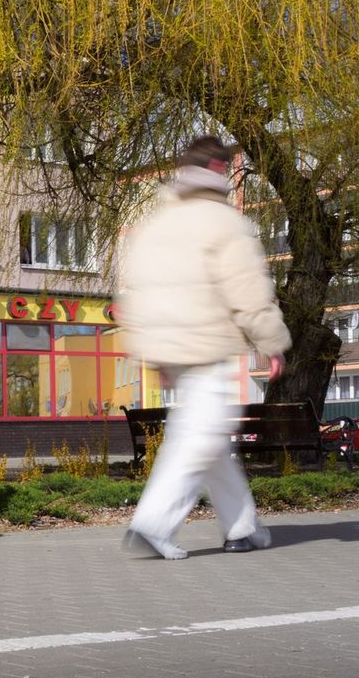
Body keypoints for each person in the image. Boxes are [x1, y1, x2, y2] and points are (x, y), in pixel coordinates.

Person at [117, 135, 292, 560]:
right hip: (206, 343)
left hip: (167, 343)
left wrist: (154, 351)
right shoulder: (224, 223)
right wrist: (272, 342)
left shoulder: (156, 223)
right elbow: (247, 290)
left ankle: (242, 528)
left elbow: (135, 290)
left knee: (209, 435)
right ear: (218, 169)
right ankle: (153, 523)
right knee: (201, 435)